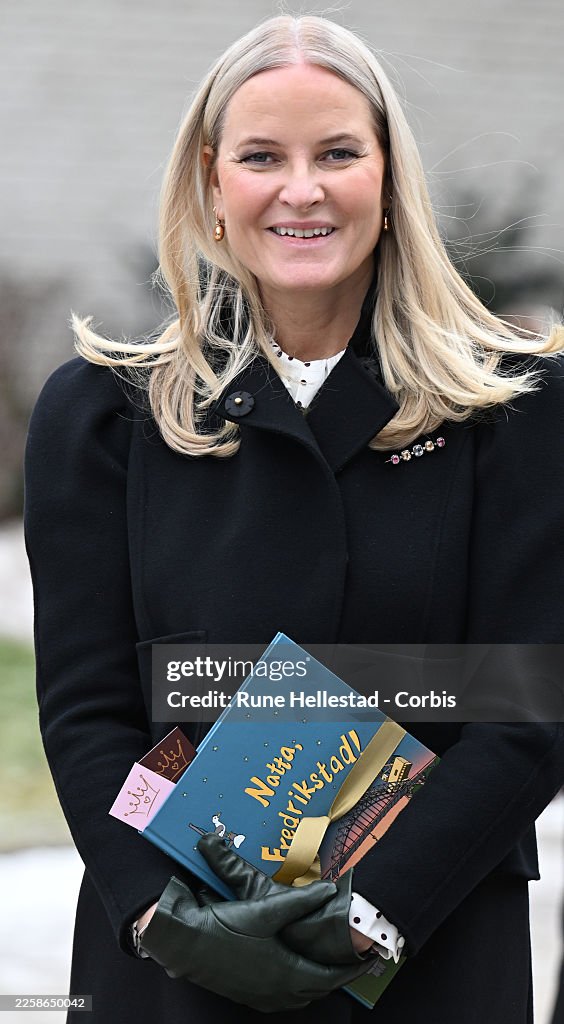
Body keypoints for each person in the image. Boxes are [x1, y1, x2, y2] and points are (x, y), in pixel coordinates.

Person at [23, 14, 564, 1024]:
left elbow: (529, 706)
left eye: (338, 154)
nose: (301, 189)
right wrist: (160, 914)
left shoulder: (519, 412)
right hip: (171, 961)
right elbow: (85, 712)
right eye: (263, 156)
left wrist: (370, 914)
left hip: (426, 953)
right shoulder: (101, 417)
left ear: (391, 179)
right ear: (212, 181)